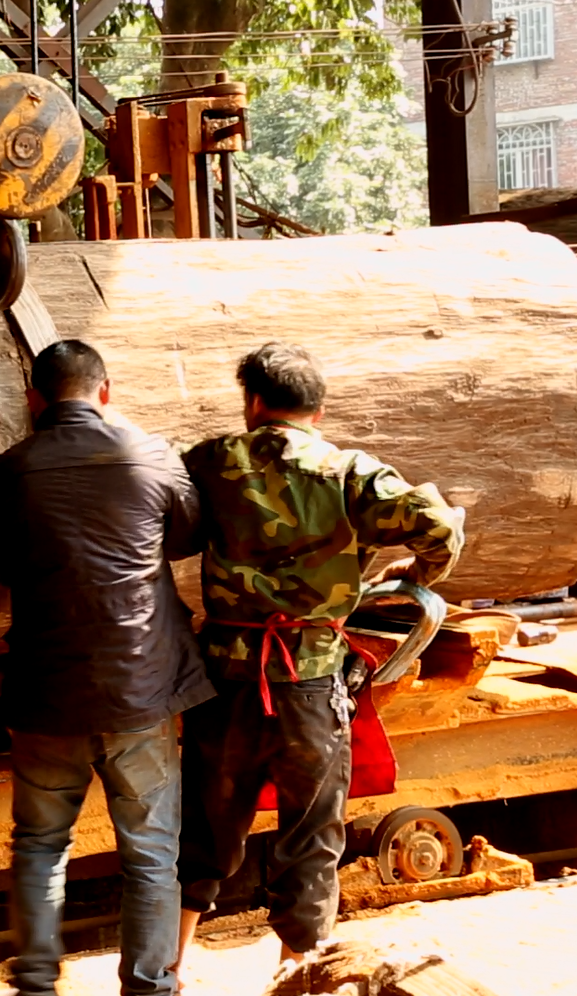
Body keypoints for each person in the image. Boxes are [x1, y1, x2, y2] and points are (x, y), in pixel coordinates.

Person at [175, 343, 464, 969]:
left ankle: (164, 973)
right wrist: (420, 572)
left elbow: (164, 525)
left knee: (202, 827)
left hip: (224, 676)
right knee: (309, 838)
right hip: (310, 679)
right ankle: (297, 977)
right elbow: (440, 527)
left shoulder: (212, 460)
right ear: (319, 410)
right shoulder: (350, 473)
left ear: (254, 401)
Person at [0, 340, 214, 996]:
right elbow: (189, 534)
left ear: (33, 399)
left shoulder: (4, 473)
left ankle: (35, 985)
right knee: (150, 852)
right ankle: (149, 988)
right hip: (141, 689)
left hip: (47, 692)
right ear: (105, 393)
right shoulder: (150, 453)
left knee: (40, 845)